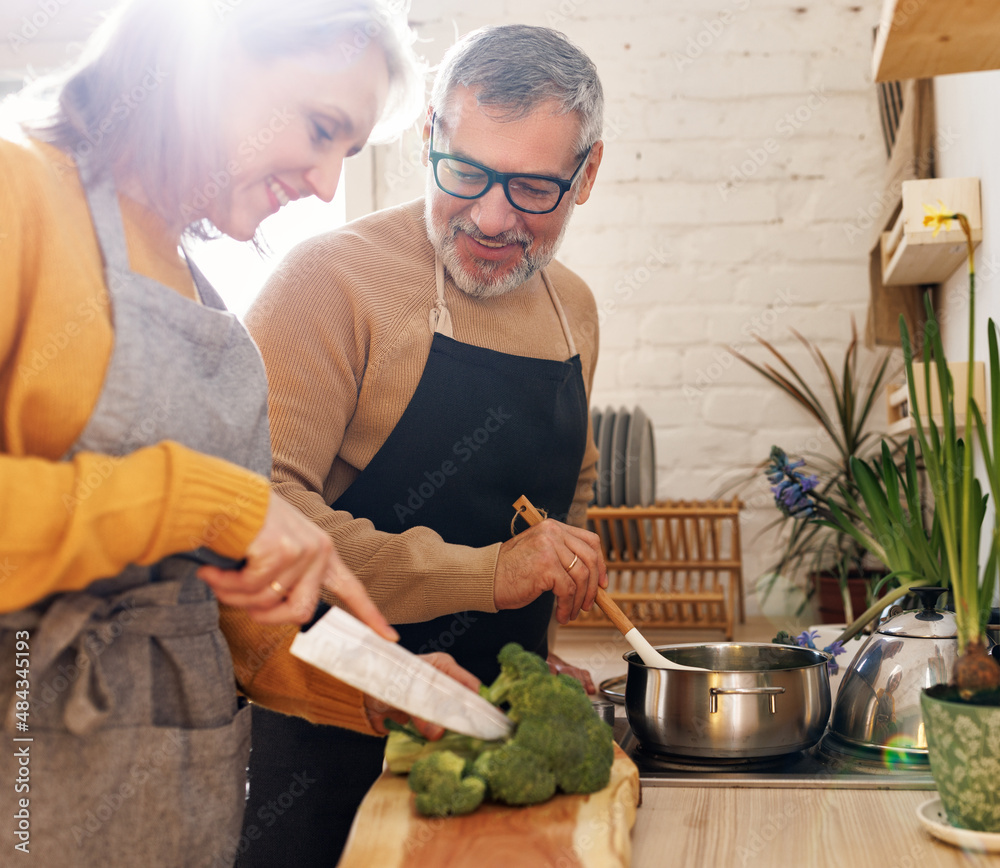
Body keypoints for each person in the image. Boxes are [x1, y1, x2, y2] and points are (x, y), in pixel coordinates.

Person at [0, 1, 480, 865]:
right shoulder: (17, 193)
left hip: (176, 812)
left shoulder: (208, 311)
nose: (329, 185)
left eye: (350, 152)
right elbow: (188, 511)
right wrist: (197, 499)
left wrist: (391, 687)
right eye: (321, 126)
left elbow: (227, 621)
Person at [223, 22, 608, 866]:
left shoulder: (572, 307)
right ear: (430, 134)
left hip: (496, 736)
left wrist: (536, 665)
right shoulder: (330, 282)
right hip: (333, 733)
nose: (494, 216)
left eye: (536, 188)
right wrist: (488, 574)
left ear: (588, 175)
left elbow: (565, 496)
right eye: (466, 171)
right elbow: (261, 512)